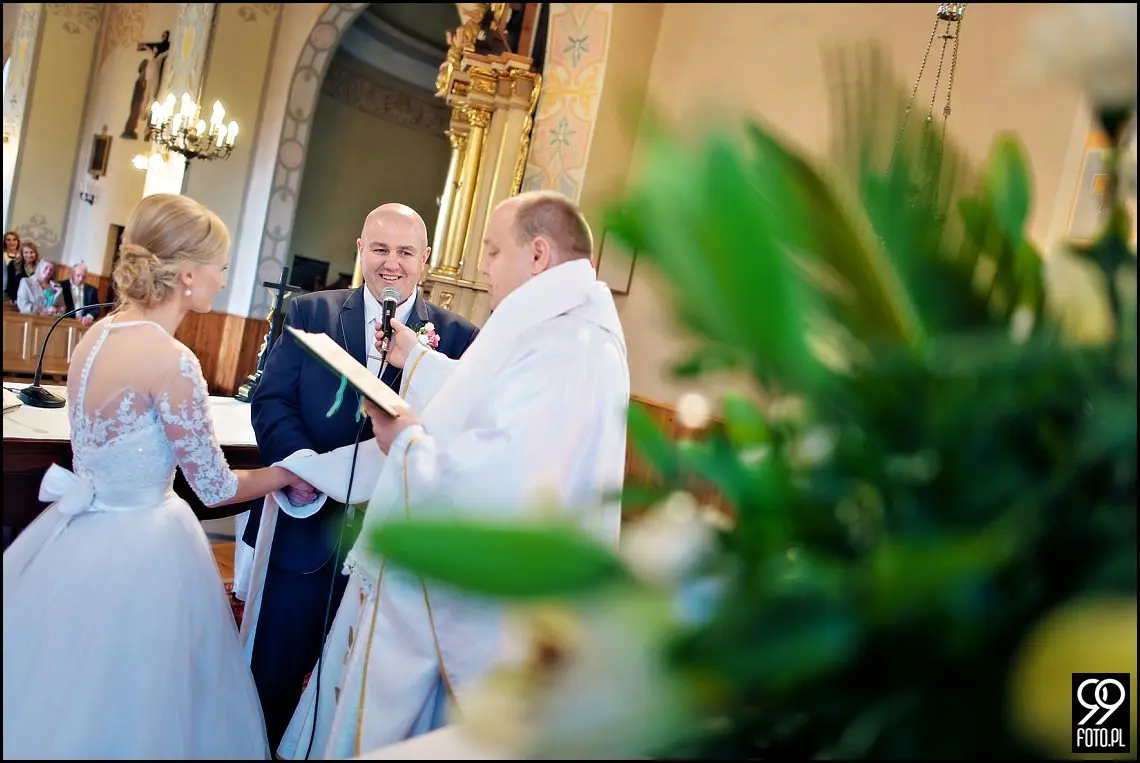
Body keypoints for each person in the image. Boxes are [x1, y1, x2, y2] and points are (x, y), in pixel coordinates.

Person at [274, 190, 630, 759]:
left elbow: (503, 479)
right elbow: (488, 406)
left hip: (491, 601)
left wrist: (406, 442)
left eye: (491, 250)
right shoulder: (559, 330)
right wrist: (415, 361)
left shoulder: (574, 347)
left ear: (537, 255)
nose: (483, 266)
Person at [2, 193, 311, 760]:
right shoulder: (174, 361)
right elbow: (216, 488)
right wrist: (281, 473)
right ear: (188, 275)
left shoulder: (96, 336)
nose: (223, 276)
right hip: (143, 543)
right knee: (142, 695)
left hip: (78, 533)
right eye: (220, 264)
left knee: (63, 685)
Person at [242, 202, 479, 750]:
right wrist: (298, 467)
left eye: (403, 252)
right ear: (360, 251)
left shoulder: (459, 337)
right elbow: (272, 399)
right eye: (379, 249)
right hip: (307, 527)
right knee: (272, 674)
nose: (390, 263)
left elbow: (457, 432)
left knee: (357, 690)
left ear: (425, 259)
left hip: (389, 543)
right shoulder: (311, 313)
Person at [59, 262, 103, 326]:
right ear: (72, 274)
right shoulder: (62, 286)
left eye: (84, 277)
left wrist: (89, 317)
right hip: (64, 323)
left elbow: (96, 309)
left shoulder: (92, 290)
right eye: (78, 275)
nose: (81, 279)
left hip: (84, 324)